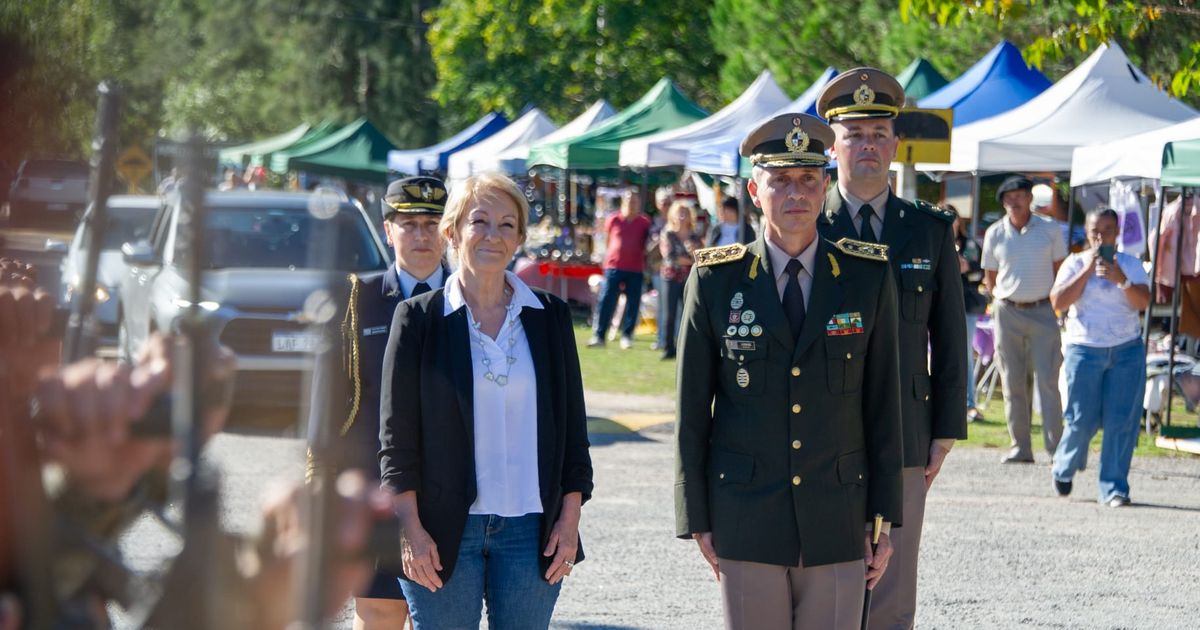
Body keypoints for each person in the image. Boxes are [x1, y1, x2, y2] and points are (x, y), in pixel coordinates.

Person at [674, 112, 903, 630]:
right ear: (756, 191)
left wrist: (885, 519)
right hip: (746, 512)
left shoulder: (866, 277)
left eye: (806, 180)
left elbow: (884, 404)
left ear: (825, 188)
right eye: (780, 180)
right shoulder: (715, 279)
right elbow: (691, 411)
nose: (794, 193)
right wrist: (697, 518)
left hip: (839, 514)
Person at [379, 172, 593, 630]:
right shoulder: (417, 319)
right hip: (439, 530)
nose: (493, 236)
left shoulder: (550, 317)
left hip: (531, 531)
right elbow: (396, 441)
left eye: (506, 225)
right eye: (480, 222)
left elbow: (574, 432)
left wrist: (569, 519)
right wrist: (410, 530)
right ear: (452, 231)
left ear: (518, 238)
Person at [816, 66, 968, 630]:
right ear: (834, 146)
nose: (869, 146)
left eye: (879, 134)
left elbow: (950, 335)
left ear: (896, 144)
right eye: (855, 135)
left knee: (893, 582)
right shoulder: (810, 223)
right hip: (825, 424)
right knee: (826, 574)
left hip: (907, 425)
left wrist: (946, 428)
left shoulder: (928, 229)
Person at [309, 176, 450, 630]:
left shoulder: (475, 300)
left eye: (432, 223)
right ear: (388, 231)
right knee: (380, 613)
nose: (422, 235)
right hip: (377, 488)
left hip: (454, 491)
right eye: (409, 225)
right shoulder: (357, 299)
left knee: (443, 614)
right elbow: (327, 404)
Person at [1049, 208, 1150, 507]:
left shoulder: (1130, 264)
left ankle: (1113, 487)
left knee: (1121, 422)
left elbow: (1143, 302)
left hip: (1126, 350)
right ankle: (1064, 466)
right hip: (1085, 349)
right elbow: (1058, 302)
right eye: (1095, 230)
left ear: (1117, 233)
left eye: (1107, 230)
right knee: (1081, 420)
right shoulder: (1074, 262)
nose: (1100, 236)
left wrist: (1122, 279)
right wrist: (1086, 270)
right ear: (1087, 231)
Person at [982, 175, 1068, 464]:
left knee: (1048, 381)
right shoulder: (994, 232)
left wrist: (1058, 307)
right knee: (1013, 382)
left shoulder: (1050, 229)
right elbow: (989, 276)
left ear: (1030, 199)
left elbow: (1060, 271)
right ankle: (1020, 447)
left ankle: (1057, 450)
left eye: (1019, 196)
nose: (1014, 202)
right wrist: (1000, 300)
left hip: (1044, 309)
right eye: (1008, 198)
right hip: (1008, 310)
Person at [588, 187, 652, 349]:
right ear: (624, 202)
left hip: (636, 267)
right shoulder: (614, 219)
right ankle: (599, 335)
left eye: (635, 201)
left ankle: (627, 336)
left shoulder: (644, 222)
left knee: (633, 304)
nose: (632, 204)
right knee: (607, 300)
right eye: (629, 200)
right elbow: (608, 240)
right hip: (614, 266)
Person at [953, 210, 988, 423]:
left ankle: (969, 403)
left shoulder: (970, 245)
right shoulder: (930, 241)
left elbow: (980, 271)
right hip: (935, 305)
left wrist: (966, 267)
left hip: (965, 305)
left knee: (964, 354)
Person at [658, 200, 702, 360]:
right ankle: (668, 348)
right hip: (671, 277)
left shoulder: (694, 236)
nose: (683, 216)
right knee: (669, 314)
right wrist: (691, 257)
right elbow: (670, 258)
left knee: (689, 313)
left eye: (686, 213)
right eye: (679, 213)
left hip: (689, 278)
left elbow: (701, 257)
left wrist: (693, 254)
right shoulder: (668, 233)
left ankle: (686, 347)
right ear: (673, 216)